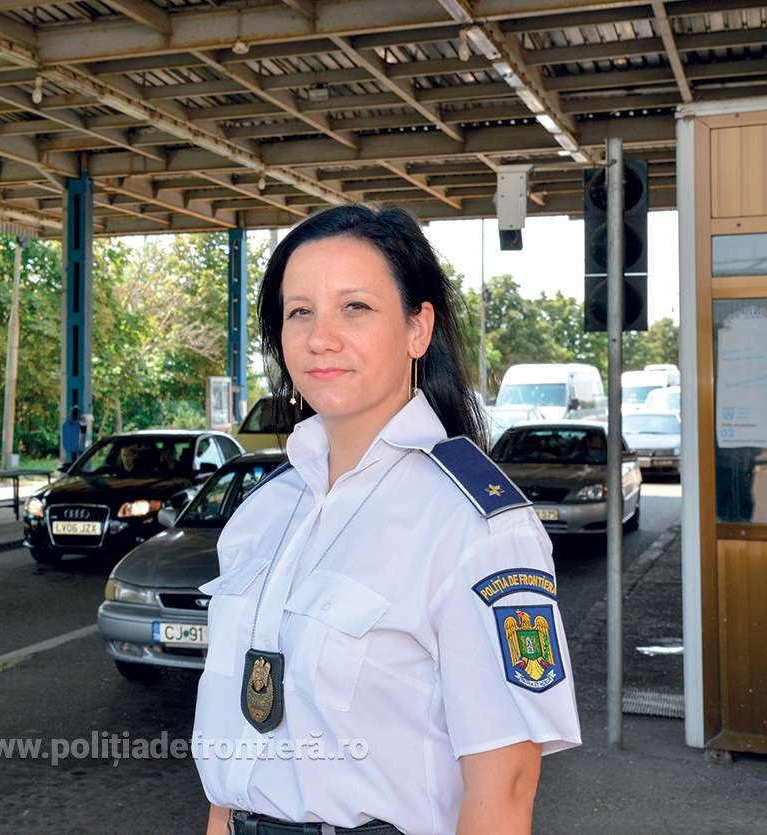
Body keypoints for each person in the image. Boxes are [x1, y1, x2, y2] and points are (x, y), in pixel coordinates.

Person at [191, 205, 581, 835]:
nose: (321, 338)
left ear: (417, 329)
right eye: (299, 312)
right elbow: (237, 745)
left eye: (355, 307)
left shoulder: (474, 525)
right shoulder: (265, 510)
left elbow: (506, 784)